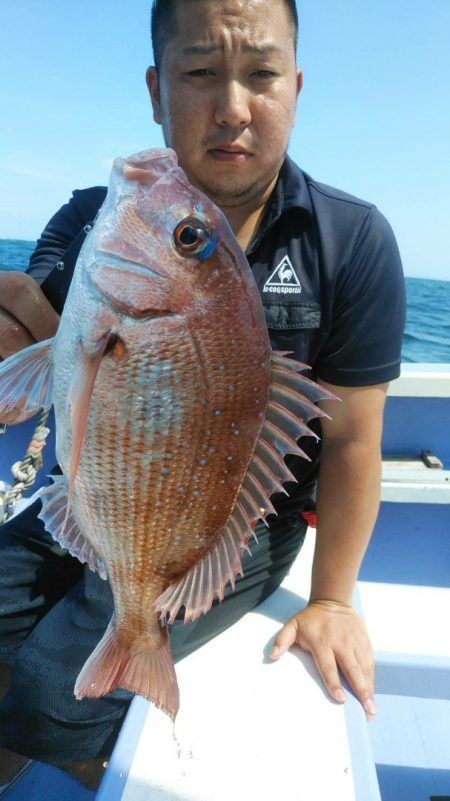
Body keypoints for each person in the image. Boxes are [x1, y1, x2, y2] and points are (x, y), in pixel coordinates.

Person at [0, 0, 406, 790]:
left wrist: (333, 599)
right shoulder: (96, 219)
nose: (231, 108)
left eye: (260, 74)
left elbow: (355, 441)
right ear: (156, 90)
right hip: (90, 489)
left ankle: (66, 740)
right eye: (198, 73)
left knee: (55, 677)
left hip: (233, 526)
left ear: (294, 85)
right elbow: (27, 357)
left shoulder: (352, 241)